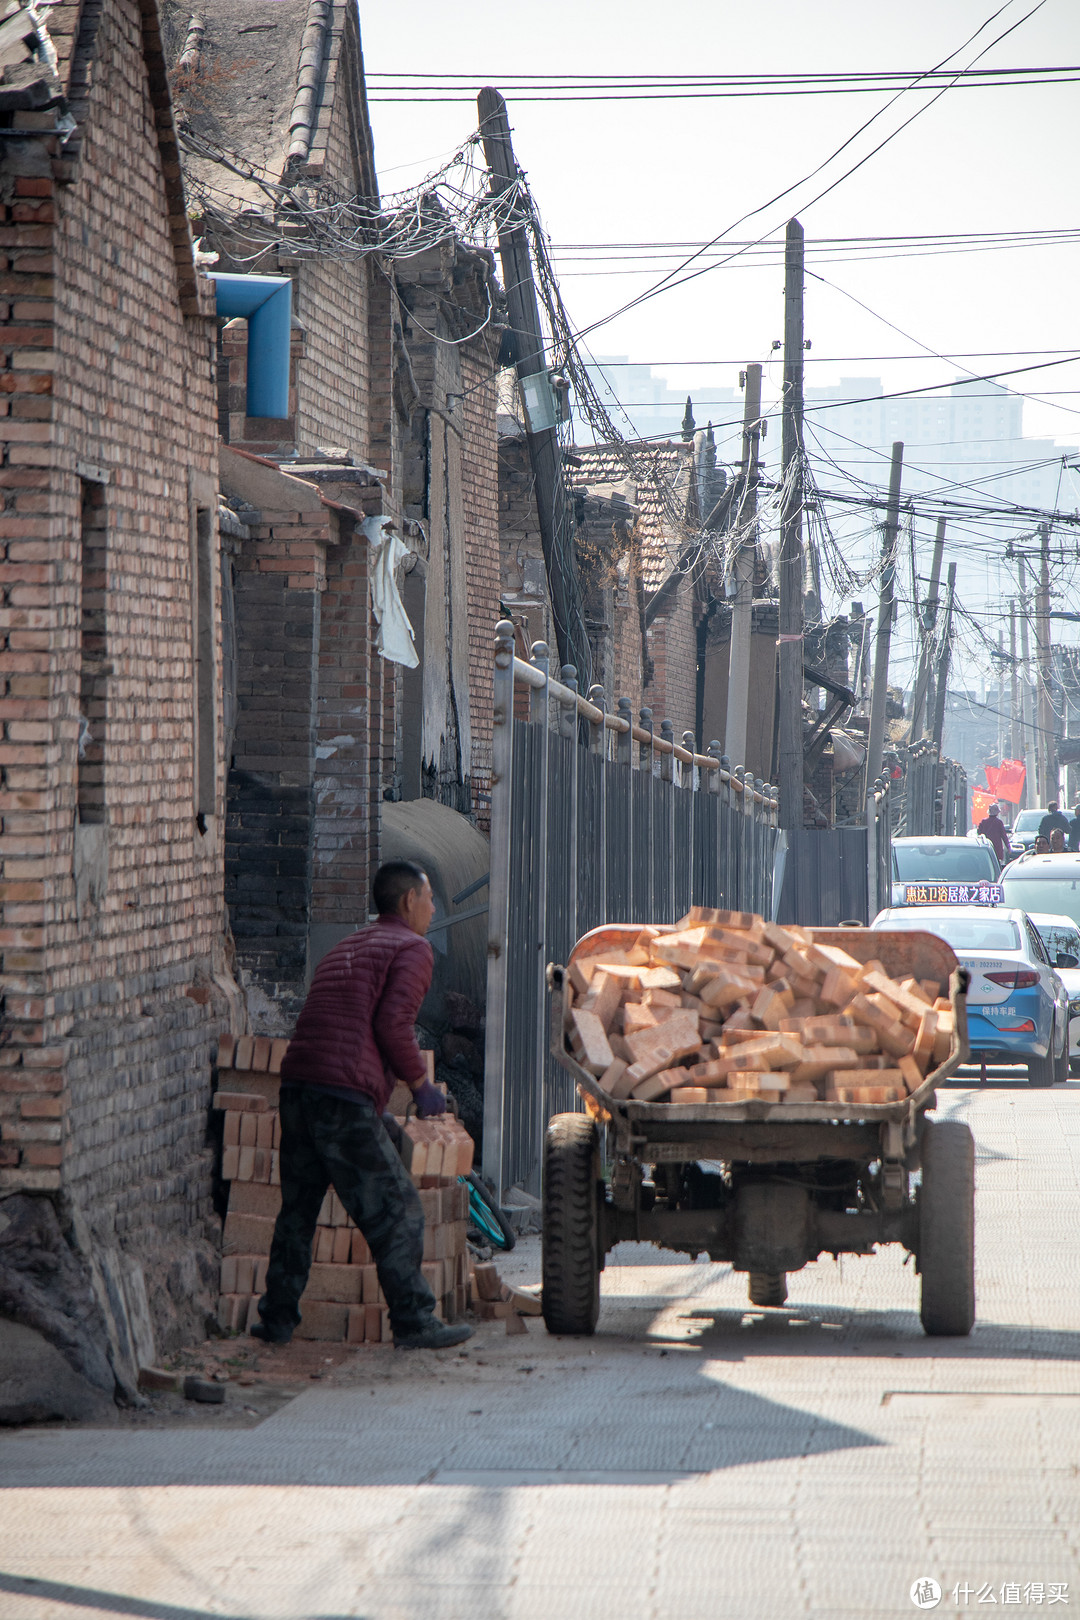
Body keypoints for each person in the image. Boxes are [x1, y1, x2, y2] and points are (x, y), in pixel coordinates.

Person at [252, 860, 473, 1351]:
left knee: (298, 1212)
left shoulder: (351, 944)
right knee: (397, 1211)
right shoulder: (412, 949)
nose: (434, 908)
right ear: (408, 901)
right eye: (430, 898)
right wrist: (421, 1084)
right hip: (341, 1095)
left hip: (299, 1089)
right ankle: (414, 1321)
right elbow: (392, 1026)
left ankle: (276, 1320)